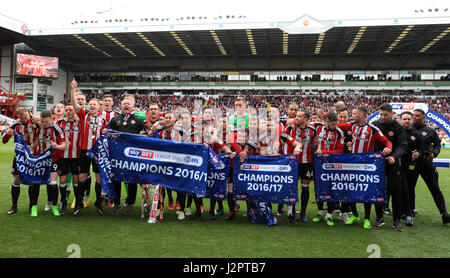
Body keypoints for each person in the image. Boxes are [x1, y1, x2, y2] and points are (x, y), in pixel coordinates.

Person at [338, 106, 393, 229]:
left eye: (354, 113)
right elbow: (336, 125)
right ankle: (355, 215)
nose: (352, 115)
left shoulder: (372, 128)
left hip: (365, 164)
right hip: (352, 163)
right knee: (350, 189)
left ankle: (367, 219)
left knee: (365, 191)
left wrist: (388, 147)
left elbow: (387, 141)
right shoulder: (352, 125)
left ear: (362, 115)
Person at [70, 78, 107, 216]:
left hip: (97, 152)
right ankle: (79, 203)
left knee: (98, 178)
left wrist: (105, 132)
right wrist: (73, 89)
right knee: (82, 178)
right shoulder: (83, 114)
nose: (92, 106)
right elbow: (75, 104)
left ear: (99, 107)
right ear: (88, 106)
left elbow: (106, 136)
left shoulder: (103, 120)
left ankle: (98, 204)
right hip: (84, 151)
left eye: (94, 105)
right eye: (90, 104)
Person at [410, 109, 450, 225]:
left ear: (423, 117)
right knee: (410, 188)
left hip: (427, 164)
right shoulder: (408, 130)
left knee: (435, 188)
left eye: (417, 116)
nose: (414, 118)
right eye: (414, 116)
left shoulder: (430, 130)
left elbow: (437, 146)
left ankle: (444, 213)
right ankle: (410, 211)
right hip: (412, 164)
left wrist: (434, 154)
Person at [109, 97, 147, 216]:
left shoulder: (139, 120)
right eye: (124, 104)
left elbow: (145, 134)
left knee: (131, 180)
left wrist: (143, 134)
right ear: (120, 106)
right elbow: (109, 133)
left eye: (128, 104)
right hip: (117, 155)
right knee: (116, 179)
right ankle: (117, 203)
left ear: (133, 106)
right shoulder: (115, 119)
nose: (126, 105)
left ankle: (130, 204)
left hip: (132, 155)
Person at [372, 103, 407, 232]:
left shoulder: (398, 127)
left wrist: (395, 157)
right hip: (378, 163)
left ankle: (396, 220)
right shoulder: (375, 124)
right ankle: (379, 217)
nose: (383, 117)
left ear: (391, 114)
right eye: (381, 114)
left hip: (393, 162)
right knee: (378, 190)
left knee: (396, 191)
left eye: (385, 115)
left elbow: (403, 146)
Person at [280, 110, 315, 224]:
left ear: (306, 119)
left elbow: (315, 141)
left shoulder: (312, 129)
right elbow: (283, 136)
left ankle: (303, 213)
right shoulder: (290, 127)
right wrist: (295, 142)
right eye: (297, 116)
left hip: (306, 162)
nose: (297, 118)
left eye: (300, 116)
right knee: (291, 187)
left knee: (305, 188)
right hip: (292, 162)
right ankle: (291, 212)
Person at [3, 108, 39, 215]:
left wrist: (32, 146)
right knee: (16, 179)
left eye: (27, 117)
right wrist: (8, 134)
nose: (26, 119)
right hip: (19, 156)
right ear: (19, 117)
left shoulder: (34, 123)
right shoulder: (15, 125)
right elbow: (4, 141)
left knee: (32, 181)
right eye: (23, 118)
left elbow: (40, 131)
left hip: (32, 156)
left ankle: (32, 206)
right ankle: (14, 206)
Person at [312, 112, 345, 226]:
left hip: (332, 164)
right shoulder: (318, 127)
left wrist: (325, 152)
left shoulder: (339, 132)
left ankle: (329, 214)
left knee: (331, 188)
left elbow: (340, 151)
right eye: (332, 124)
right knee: (318, 187)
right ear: (327, 122)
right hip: (318, 163)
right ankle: (320, 212)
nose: (334, 126)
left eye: (336, 124)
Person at [32, 110, 67, 217]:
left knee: (52, 183)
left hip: (53, 160)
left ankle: (54, 206)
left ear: (52, 120)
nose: (44, 124)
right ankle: (34, 207)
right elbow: (37, 140)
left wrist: (56, 146)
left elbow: (64, 145)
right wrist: (32, 147)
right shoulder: (38, 127)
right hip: (40, 159)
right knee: (36, 183)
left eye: (46, 122)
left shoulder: (57, 129)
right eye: (42, 121)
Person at [56, 104, 81, 215]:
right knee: (62, 180)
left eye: (70, 110)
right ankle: (63, 201)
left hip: (76, 156)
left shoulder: (80, 122)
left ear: (75, 111)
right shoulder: (59, 122)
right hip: (62, 156)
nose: (68, 111)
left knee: (76, 180)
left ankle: (77, 202)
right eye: (66, 110)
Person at [399, 111, 422, 226]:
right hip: (397, 165)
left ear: (412, 119)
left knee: (410, 189)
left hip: (412, 167)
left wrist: (418, 153)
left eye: (409, 119)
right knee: (401, 189)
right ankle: (404, 212)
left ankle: (409, 210)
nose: (407, 121)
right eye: (404, 119)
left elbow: (422, 149)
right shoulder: (397, 132)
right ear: (400, 119)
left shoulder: (416, 134)